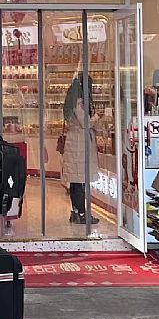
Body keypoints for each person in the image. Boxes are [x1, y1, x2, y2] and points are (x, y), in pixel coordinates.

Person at [61, 74, 99, 225]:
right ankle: (83, 214)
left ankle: (76, 212)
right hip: (79, 145)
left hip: (75, 144)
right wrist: (97, 117)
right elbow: (86, 122)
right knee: (79, 182)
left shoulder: (71, 100)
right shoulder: (78, 102)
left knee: (75, 182)